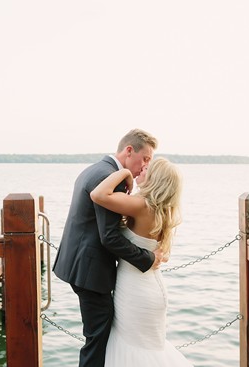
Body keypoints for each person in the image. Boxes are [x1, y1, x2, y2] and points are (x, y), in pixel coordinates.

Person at [52, 128, 164, 367]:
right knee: (97, 339)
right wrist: (147, 258)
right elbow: (110, 237)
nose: (145, 166)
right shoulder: (112, 179)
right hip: (91, 271)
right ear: (128, 150)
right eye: (144, 159)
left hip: (78, 263)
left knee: (97, 334)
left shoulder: (94, 169)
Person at [91, 157, 191, 366]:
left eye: (146, 169)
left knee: (136, 351)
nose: (139, 172)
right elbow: (161, 252)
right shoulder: (164, 209)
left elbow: (98, 194)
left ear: (156, 178)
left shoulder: (142, 205)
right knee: (146, 350)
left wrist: (123, 173)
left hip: (136, 289)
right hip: (151, 285)